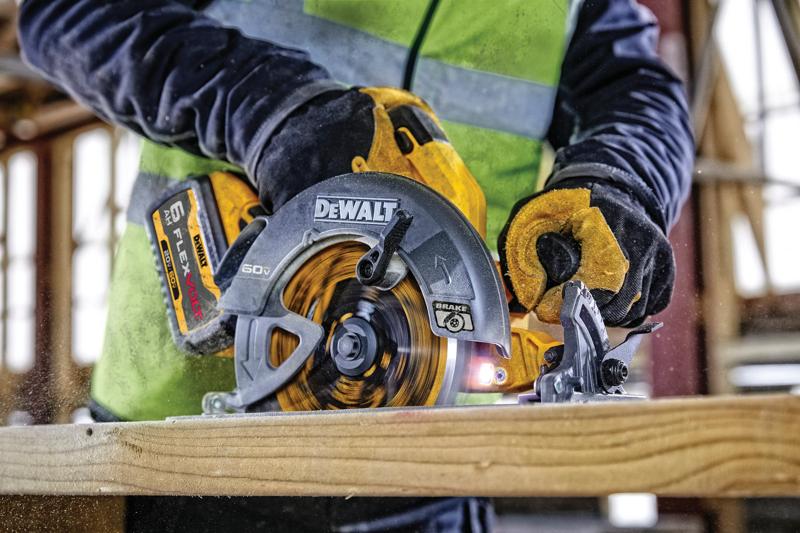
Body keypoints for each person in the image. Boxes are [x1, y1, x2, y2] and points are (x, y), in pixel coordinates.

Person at [18, 0, 693, 530]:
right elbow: (65, 15)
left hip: (435, 440)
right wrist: (272, 108)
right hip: (178, 440)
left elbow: (640, 94)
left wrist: (622, 180)